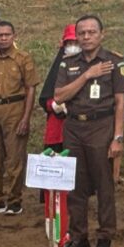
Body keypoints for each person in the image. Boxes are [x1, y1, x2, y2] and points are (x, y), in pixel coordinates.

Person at [52, 15, 124, 247]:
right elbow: (60, 96)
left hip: (102, 127)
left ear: (101, 34)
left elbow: (120, 103)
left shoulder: (115, 61)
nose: (86, 37)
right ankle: (79, 237)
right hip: (74, 127)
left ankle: (105, 236)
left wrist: (118, 137)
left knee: (104, 183)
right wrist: (87, 75)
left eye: (91, 32)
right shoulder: (68, 64)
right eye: (82, 33)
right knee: (75, 185)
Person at [0, 21, 39, 216]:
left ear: (14, 36)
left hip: (15, 108)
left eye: (7, 34)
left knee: (14, 157)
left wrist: (26, 118)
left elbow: (31, 88)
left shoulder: (23, 58)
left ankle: (14, 200)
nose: (3, 38)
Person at [39, 25, 80, 155]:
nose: (73, 46)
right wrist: (54, 104)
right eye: (69, 43)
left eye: (76, 42)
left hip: (81, 124)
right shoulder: (58, 66)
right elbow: (45, 97)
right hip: (58, 125)